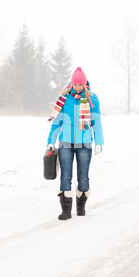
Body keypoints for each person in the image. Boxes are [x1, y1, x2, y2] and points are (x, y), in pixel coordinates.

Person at [47, 67, 104, 220]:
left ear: (85, 85)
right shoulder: (64, 98)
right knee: (65, 176)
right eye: (75, 85)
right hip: (65, 143)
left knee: (83, 179)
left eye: (80, 85)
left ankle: (81, 204)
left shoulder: (93, 99)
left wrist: (99, 142)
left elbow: (96, 122)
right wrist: (50, 142)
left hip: (84, 144)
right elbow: (56, 123)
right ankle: (66, 210)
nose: (77, 87)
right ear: (71, 84)